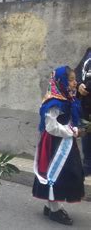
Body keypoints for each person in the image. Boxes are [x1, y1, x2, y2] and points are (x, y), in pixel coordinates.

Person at [32, 66, 84, 225]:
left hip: (64, 140)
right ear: (61, 81)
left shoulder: (67, 97)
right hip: (55, 143)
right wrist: (72, 132)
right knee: (57, 174)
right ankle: (54, 210)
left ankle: (51, 205)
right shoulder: (54, 102)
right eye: (71, 80)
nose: (75, 83)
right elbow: (51, 126)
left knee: (63, 173)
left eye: (75, 79)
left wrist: (74, 129)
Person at [75, 47, 91, 176]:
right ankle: (88, 165)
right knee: (87, 135)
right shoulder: (89, 52)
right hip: (86, 106)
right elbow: (78, 72)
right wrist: (79, 84)